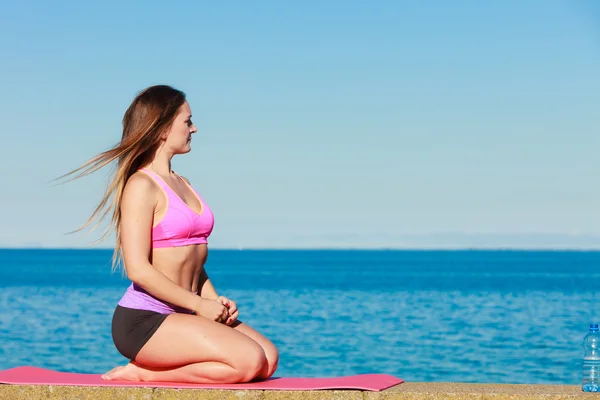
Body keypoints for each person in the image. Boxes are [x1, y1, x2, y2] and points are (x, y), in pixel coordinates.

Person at [62, 85, 279, 383]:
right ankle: (142, 373)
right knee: (247, 362)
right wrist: (198, 305)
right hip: (145, 321)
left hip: (187, 310)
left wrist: (215, 301)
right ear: (163, 128)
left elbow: (192, 260)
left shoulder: (183, 182)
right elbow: (137, 269)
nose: (195, 128)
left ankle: (154, 367)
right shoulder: (141, 186)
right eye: (187, 121)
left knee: (268, 359)